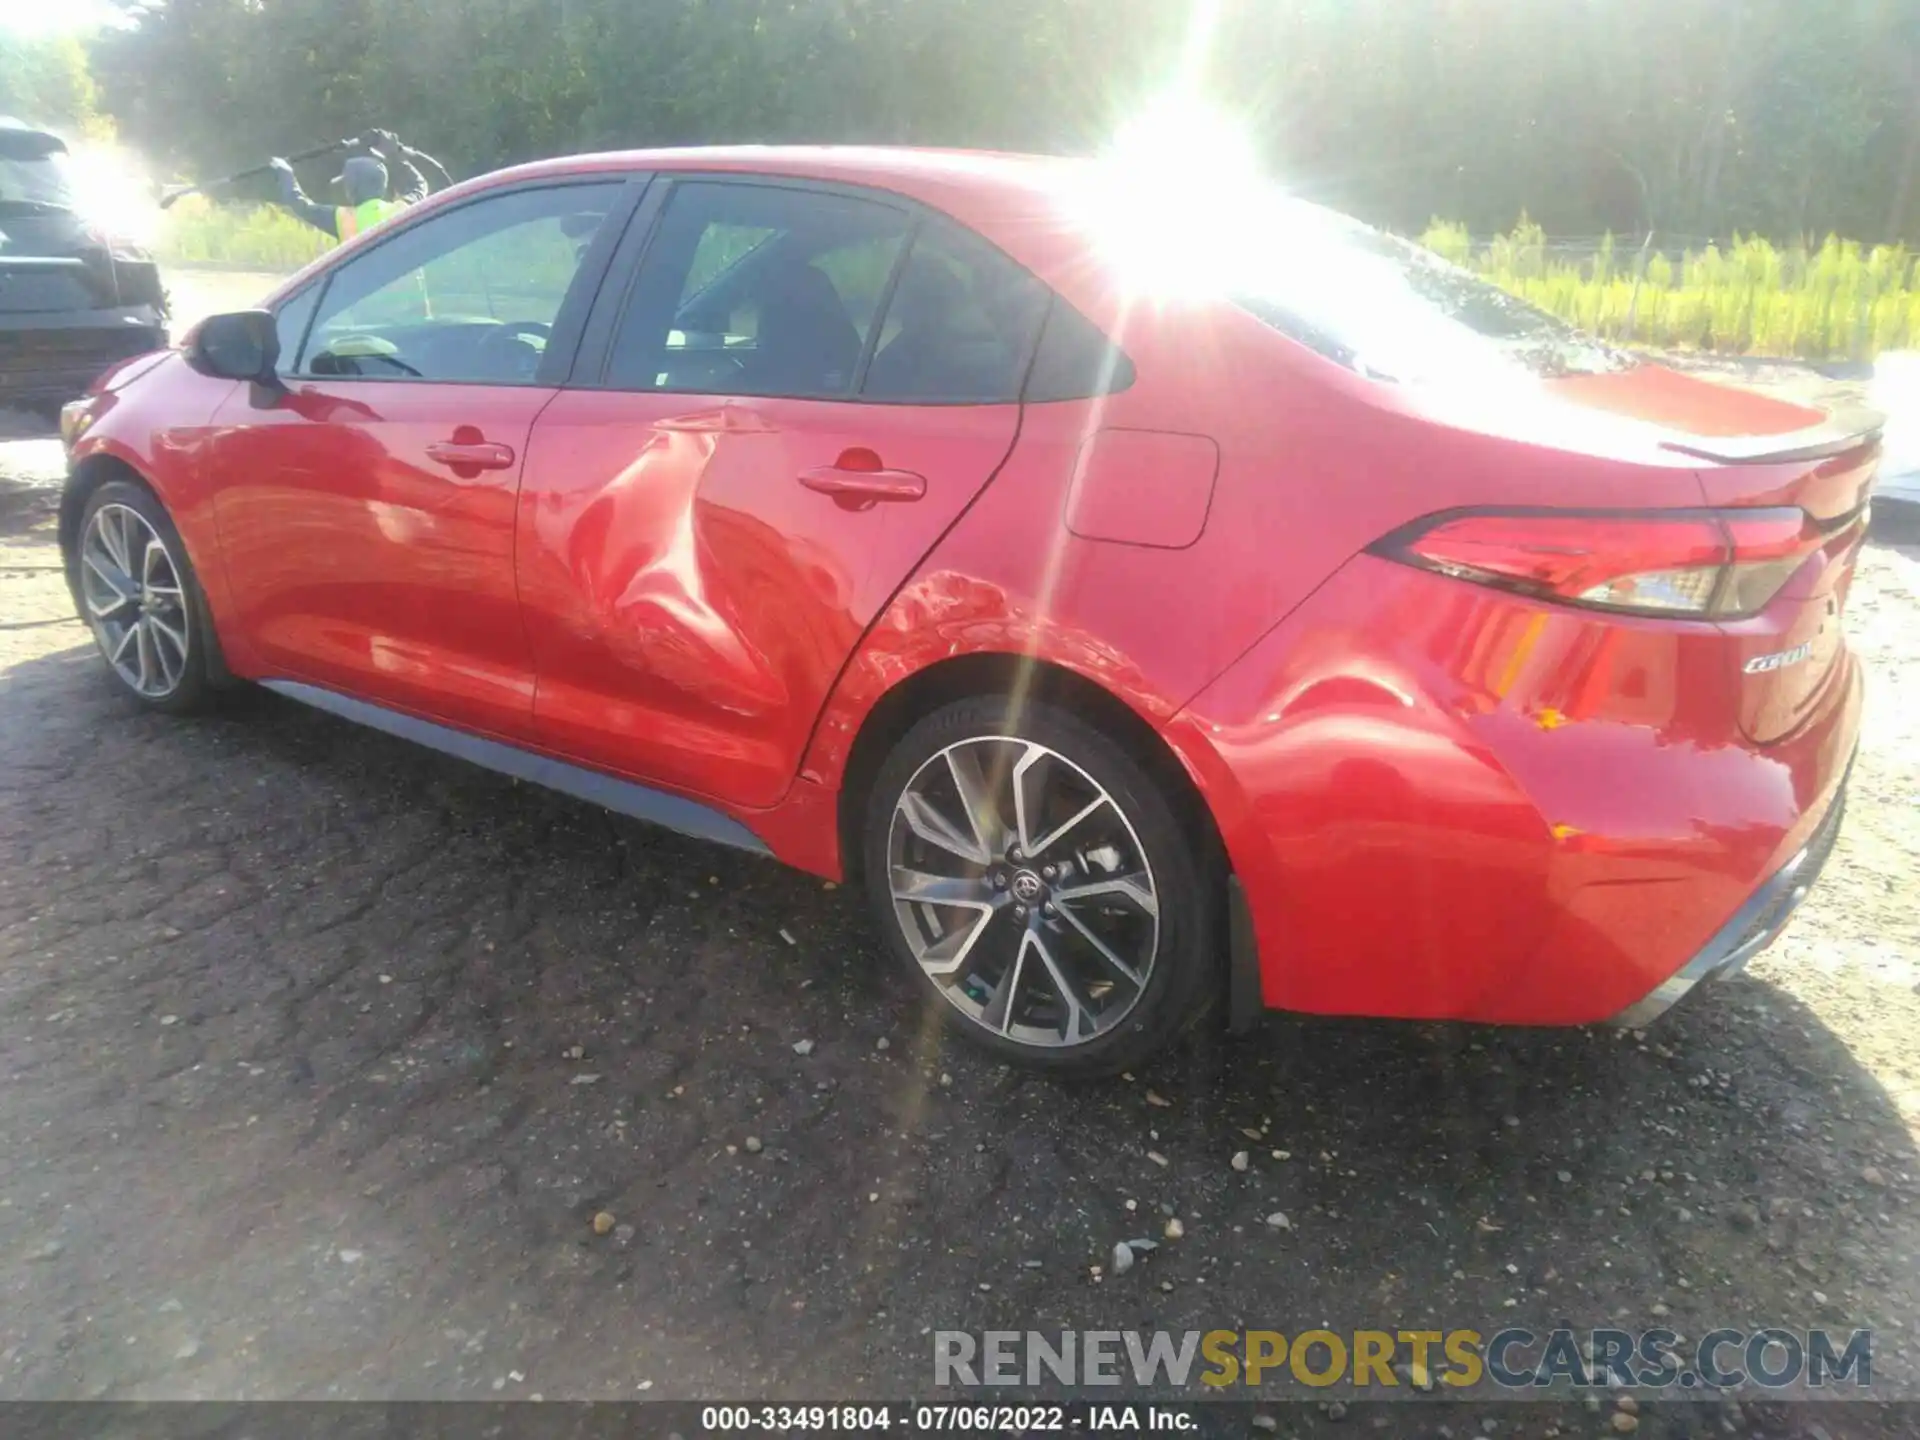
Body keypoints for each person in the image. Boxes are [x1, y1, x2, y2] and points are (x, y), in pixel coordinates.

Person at [270, 130, 429, 243]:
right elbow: (420, 186)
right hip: (411, 290)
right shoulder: (401, 210)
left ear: (352, 188)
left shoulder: (343, 219)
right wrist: (396, 155)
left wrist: (285, 173)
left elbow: (302, 206)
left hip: (368, 290)